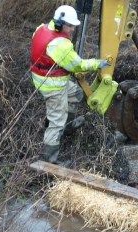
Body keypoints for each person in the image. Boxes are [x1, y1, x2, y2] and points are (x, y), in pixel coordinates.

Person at [30, 5, 110, 165]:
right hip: (52, 86)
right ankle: (48, 162)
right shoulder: (60, 44)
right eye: (70, 26)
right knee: (56, 122)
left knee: (76, 94)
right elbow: (77, 65)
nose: (73, 29)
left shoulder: (42, 28)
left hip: (45, 79)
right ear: (60, 23)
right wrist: (97, 64)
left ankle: (68, 127)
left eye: (74, 26)